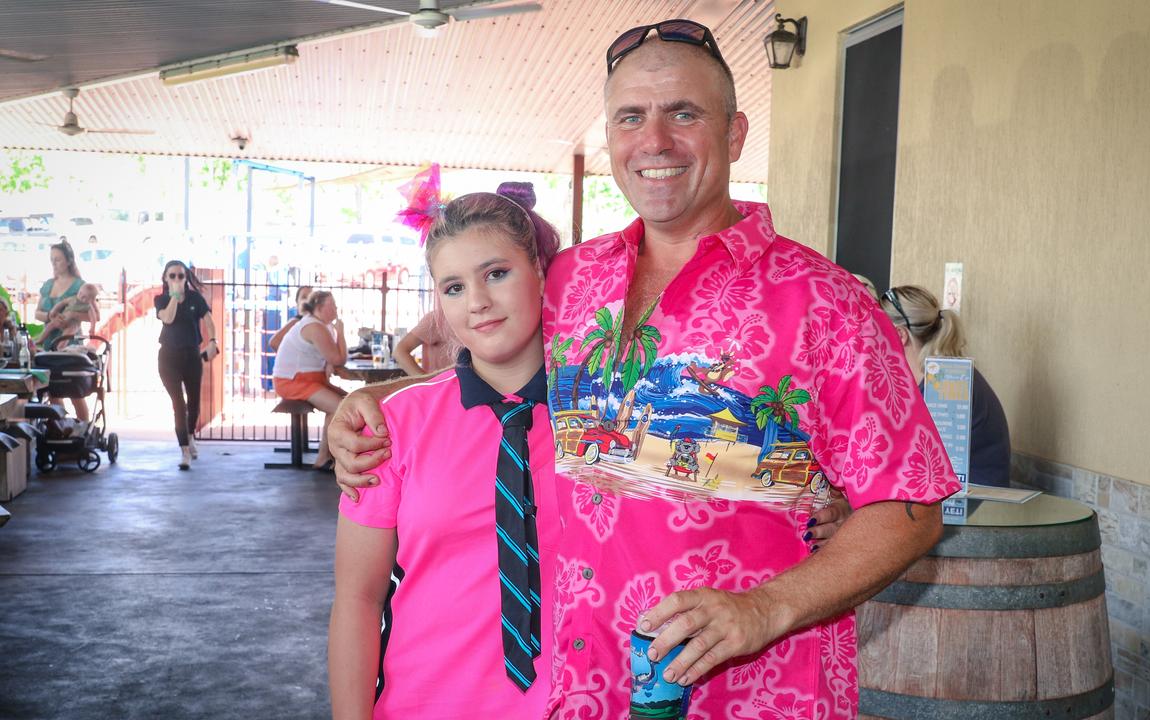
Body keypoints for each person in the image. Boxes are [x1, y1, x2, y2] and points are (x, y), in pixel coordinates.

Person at [331, 20, 958, 718]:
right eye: (632, 117)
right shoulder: (572, 280)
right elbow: (488, 356)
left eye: (684, 113)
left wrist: (766, 607)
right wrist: (371, 400)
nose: (654, 141)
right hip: (585, 691)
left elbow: (912, 508)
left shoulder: (825, 302)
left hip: (756, 691)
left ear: (736, 134)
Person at [329, 186, 563, 719]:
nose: (477, 301)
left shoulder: (599, 417)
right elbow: (358, 601)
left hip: (576, 704)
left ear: (541, 272)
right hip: (426, 703)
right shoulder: (391, 426)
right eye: (453, 287)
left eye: (496, 273)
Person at [881, 285, 1012, 486]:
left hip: (975, 509)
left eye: (879, 329)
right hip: (957, 502)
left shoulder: (945, 384)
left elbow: (918, 465)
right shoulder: (936, 376)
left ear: (900, 335)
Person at [155, 261, 219, 470]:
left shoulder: (195, 299)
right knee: (178, 404)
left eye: (180, 276)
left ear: (186, 278)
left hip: (191, 354)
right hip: (168, 357)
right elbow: (168, 318)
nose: (176, 280)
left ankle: (190, 435)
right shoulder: (161, 299)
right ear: (165, 278)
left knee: (194, 401)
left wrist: (212, 341)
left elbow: (208, 320)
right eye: (172, 276)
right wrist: (174, 296)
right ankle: (184, 450)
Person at [273, 290, 347, 470]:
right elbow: (338, 359)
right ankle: (324, 458)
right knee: (339, 406)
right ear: (320, 307)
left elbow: (330, 358)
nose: (336, 309)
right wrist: (341, 333)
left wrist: (329, 362)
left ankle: (329, 455)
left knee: (350, 401)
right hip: (293, 381)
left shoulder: (322, 325)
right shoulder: (314, 326)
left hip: (311, 379)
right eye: (332, 305)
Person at [36, 240, 90, 419]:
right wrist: (51, 317)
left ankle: (82, 429)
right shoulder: (48, 285)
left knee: (74, 390)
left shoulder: (79, 286)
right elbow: (38, 313)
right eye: (52, 260)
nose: (54, 264)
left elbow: (89, 314)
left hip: (69, 342)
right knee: (53, 390)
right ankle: (60, 427)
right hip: (49, 339)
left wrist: (70, 317)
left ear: (68, 261)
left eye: (58, 259)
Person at [391, 310, 453, 377]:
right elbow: (399, 351)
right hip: (441, 384)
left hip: (460, 383)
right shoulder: (436, 319)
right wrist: (426, 382)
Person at [35, 283, 99, 349]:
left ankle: (60, 347)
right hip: (62, 319)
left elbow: (93, 318)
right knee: (50, 326)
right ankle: (41, 340)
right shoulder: (72, 299)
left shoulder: (88, 307)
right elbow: (62, 303)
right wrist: (54, 310)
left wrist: (92, 328)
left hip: (73, 324)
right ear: (79, 291)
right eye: (80, 293)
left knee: (67, 335)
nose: (81, 297)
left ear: (91, 300)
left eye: (85, 297)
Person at [268, 285, 314, 352]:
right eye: (304, 297)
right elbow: (274, 342)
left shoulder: (314, 322)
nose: (307, 301)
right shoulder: (295, 322)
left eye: (311, 298)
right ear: (297, 302)